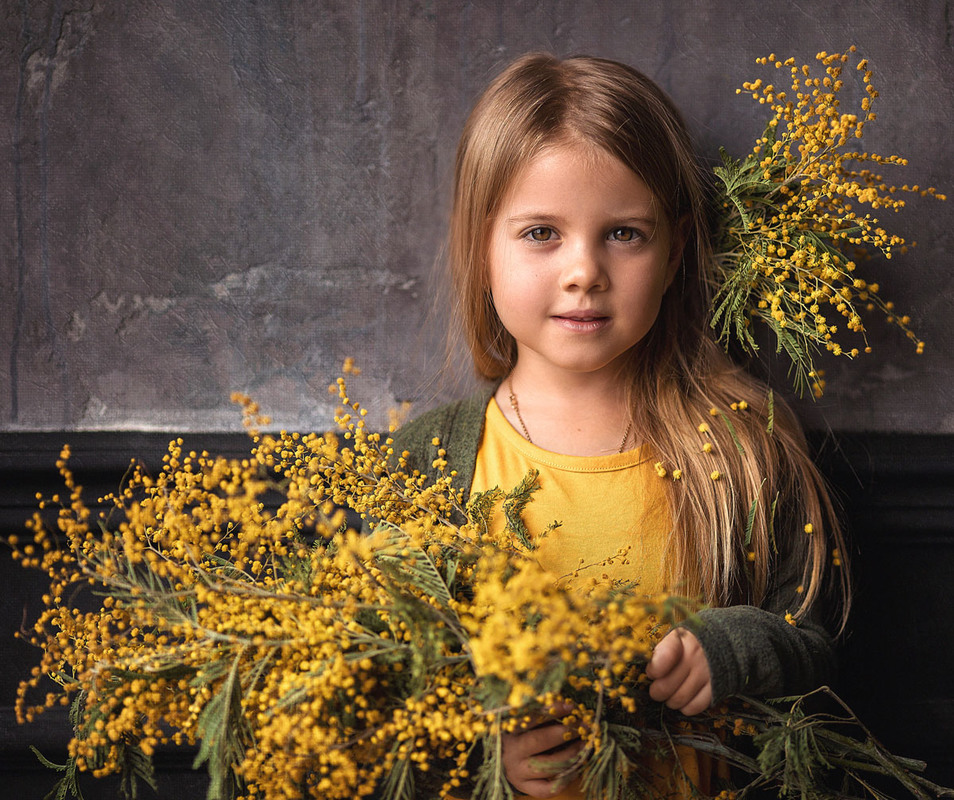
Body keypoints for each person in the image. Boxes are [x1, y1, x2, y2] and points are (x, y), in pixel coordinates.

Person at [391, 52, 849, 799]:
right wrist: (485, 755)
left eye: (624, 235)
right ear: (481, 249)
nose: (584, 271)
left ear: (673, 252)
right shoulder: (425, 466)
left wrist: (729, 652)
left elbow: (813, 639)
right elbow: (375, 693)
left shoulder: (739, 445)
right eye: (541, 233)